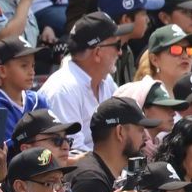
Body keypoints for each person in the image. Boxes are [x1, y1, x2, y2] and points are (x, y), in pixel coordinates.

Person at [39, 12, 133, 153]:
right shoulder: (62, 90)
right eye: (117, 45)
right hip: (79, 172)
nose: (120, 52)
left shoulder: (106, 80)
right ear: (97, 53)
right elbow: (72, 152)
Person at [68, 97, 158, 192]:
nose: (146, 137)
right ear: (120, 132)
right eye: (141, 130)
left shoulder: (128, 170)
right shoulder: (90, 180)